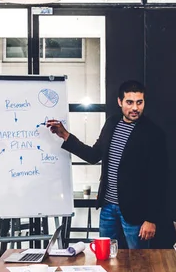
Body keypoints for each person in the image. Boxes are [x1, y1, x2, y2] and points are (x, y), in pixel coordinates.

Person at [46, 80, 167, 249]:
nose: (135, 108)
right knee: (107, 260)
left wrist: (151, 219)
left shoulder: (153, 134)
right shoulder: (112, 123)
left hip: (136, 213)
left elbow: (158, 180)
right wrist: (66, 136)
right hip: (108, 208)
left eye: (139, 102)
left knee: (139, 264)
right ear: (120, 102)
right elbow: (94, 155)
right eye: (129, 102)